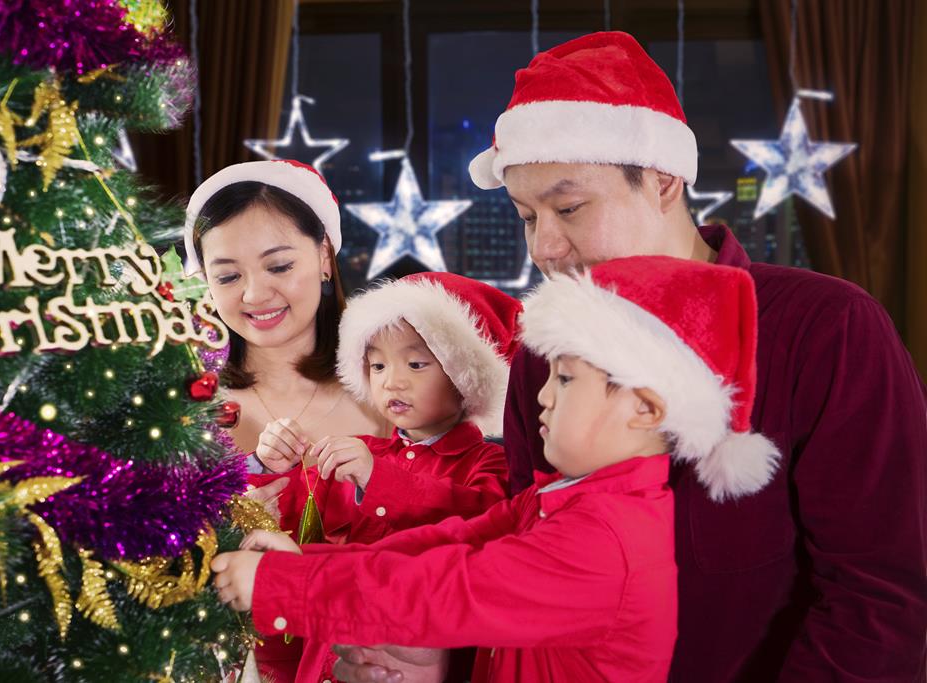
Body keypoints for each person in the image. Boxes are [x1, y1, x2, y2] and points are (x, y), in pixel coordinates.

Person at [335, 31, 927, 682]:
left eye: (569, 207)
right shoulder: (547, 353)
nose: (547, 247)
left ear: (665, 178)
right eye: (528, 216)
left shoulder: (827, 330)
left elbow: (880, 599)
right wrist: (444, 652)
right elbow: (529, 562)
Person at [209, 255, 780, 682]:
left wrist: (288, 586)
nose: (543, 399)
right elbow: (445, 545)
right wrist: (304, 561)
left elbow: (450, 588)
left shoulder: (607, 535)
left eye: (565, 379)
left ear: (647, 408)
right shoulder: (563, 498)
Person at [249, 271, 519, 682]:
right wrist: (269, 465)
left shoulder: (489, 466)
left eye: (416, 363)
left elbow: (478, 522)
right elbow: (285, 528)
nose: (392, 380)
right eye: (377, 365)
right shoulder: (356, 452)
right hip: (325, 660)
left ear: (464, 374)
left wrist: (381, 481)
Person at [183, 159, 389, 678]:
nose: (254, 295)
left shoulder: (389, 389)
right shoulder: (183, 404)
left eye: (278, 266)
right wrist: (225, 531)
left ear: (324, 255)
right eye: (228, 276)